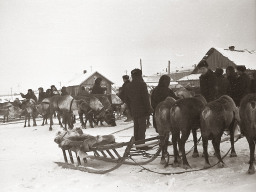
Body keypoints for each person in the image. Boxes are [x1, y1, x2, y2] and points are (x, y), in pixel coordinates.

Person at [124, 69, 152, 150]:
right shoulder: (142, 84)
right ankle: (141, 145)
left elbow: (127, 100)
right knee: (142, 128)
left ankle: (137, 144)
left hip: (133, 110)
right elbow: (145, 98)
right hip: (142, 110)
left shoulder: (128, 85)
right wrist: (149, 109)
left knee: (136, 127)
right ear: (140, 75)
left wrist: (130, 109)